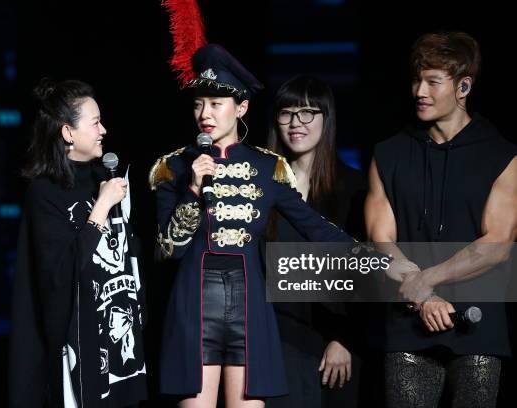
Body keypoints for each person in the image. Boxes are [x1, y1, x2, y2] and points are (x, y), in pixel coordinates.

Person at [149, 44, 357, 408]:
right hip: (194, 302)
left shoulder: (267, 167)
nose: (205, 114)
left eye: (216, 104)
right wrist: (193, 191)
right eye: (199, 103)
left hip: (250, 305)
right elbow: (166, 250)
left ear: (241, 107)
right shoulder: (175, 167)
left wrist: (381, 262)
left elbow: (317, 228)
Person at [365, 31, 517, 407]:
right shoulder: (388, 153)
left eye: (433, 81)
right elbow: (380, 238)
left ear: (463, 86)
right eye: (417, 80)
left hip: (479, 327)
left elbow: (497, 244)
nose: (420, 91)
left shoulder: (501, 154)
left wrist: (427, 280)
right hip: (408, 325)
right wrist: (424, 298)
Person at [8, 79, 146, 407]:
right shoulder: (45, 192)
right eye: (95, 123)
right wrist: (101, 208)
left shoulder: (105, 179)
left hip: (118, 337)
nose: (104, 130)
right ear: (68, 133)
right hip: (78, 345)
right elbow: (58, 273)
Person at [264, 74, 367, 408]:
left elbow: (365, 273)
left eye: (308, 112)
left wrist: (345, 338)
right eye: (287, 113)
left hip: (333, 347)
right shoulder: (261, 188)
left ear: (327, 118)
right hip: (274, 339)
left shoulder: (354, 188)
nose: (296, 123)